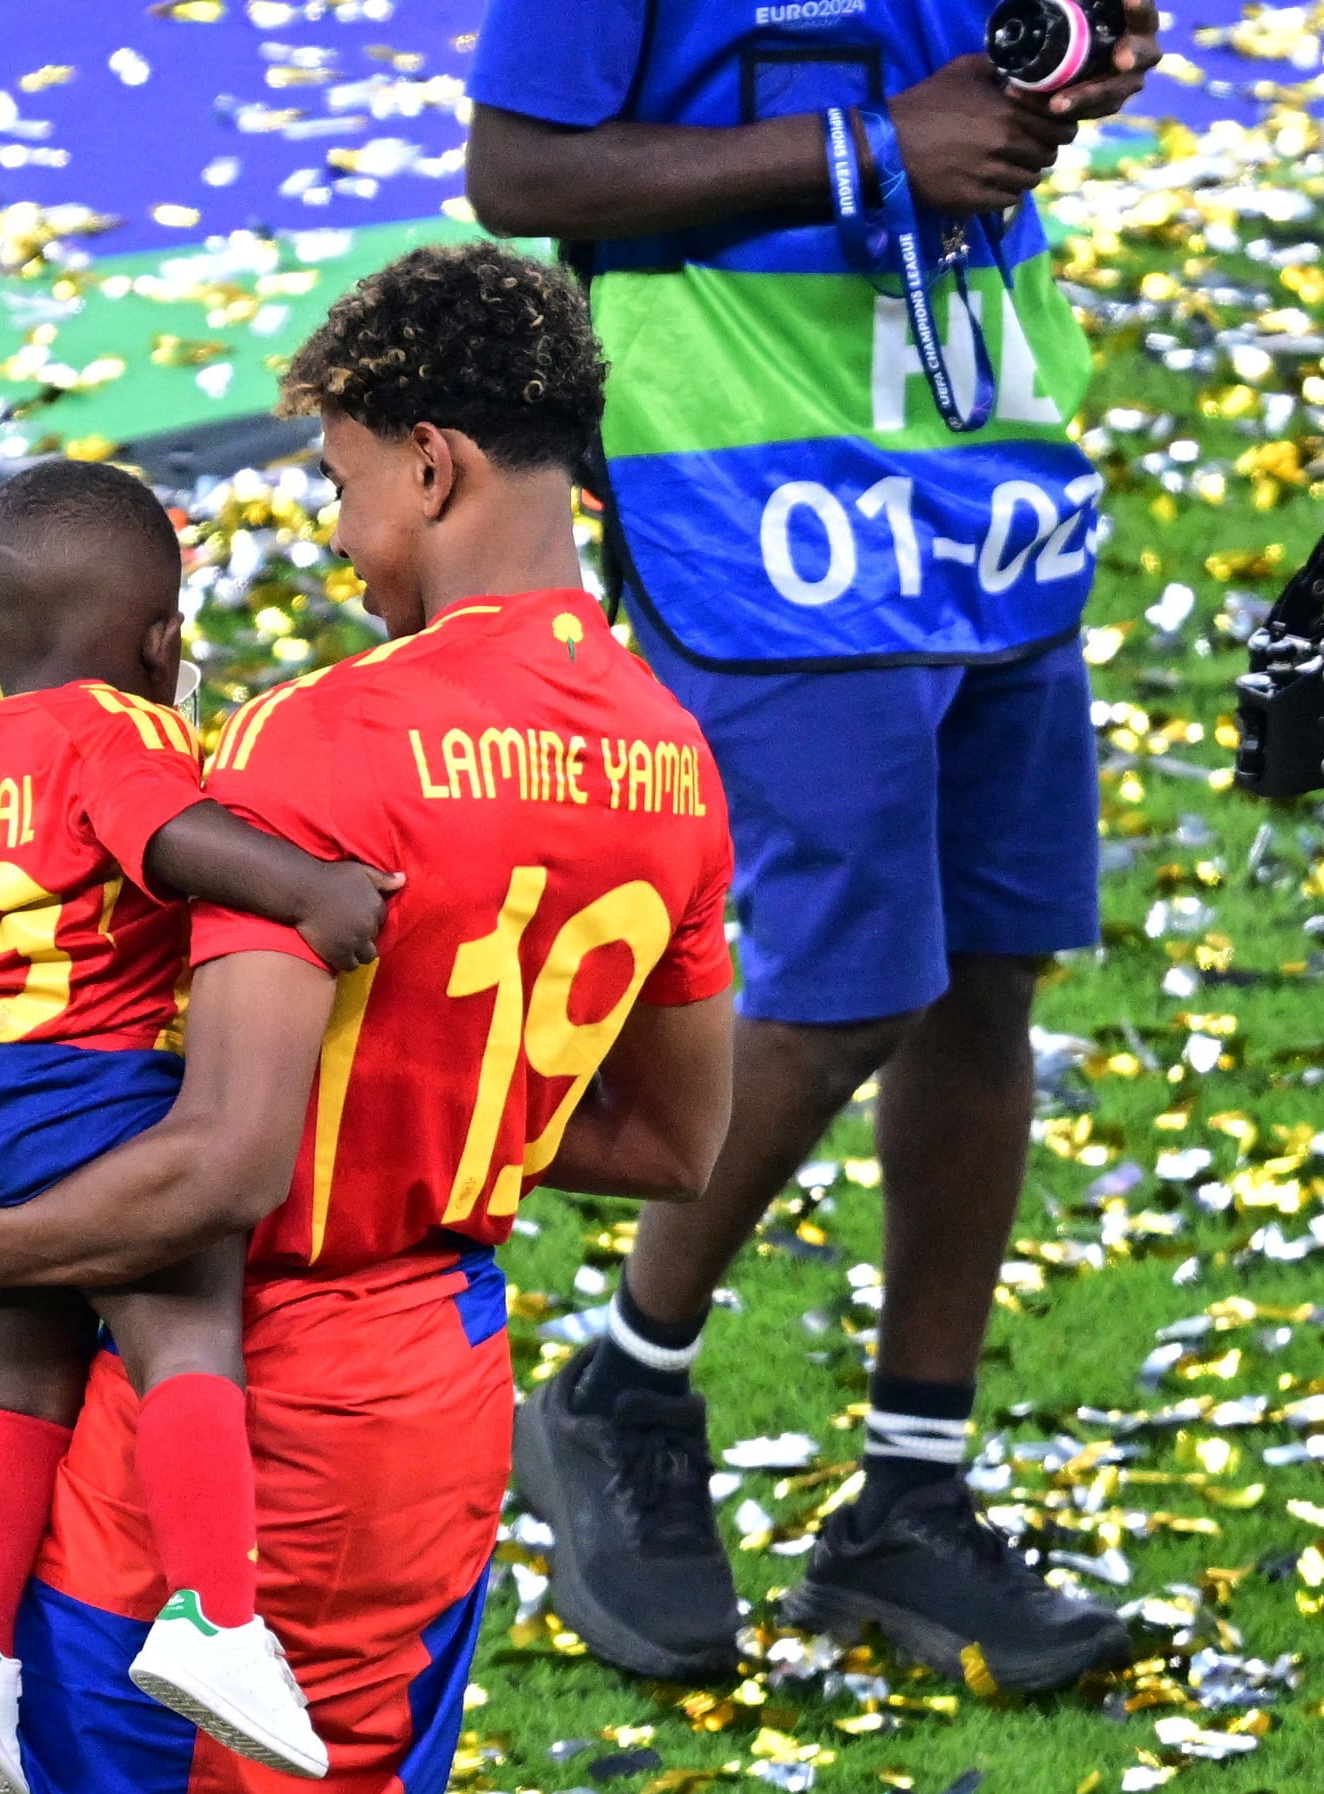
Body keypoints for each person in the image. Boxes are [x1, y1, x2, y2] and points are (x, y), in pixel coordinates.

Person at [0, 242, 734, 1794]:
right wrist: (443, 1090)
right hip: (445, 1399)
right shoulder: (671, 748)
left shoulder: (319, 740)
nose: (347, 538)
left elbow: (228, 1158)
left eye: (346, 480)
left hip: (255, 1411)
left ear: (433, 463)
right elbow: (668, 1142)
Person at [465, 0, 1159, 1692]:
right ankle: (620, 1386)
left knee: (991, 977)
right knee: (852, 981)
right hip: (751, 485)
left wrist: (1078, 63)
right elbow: (514, 173)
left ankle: (909, 1503)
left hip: (982, 475)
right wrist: (871, 153)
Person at [0, 458, 398, 1794]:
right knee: (185, 1321)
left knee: (15, 1391)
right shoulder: (122, 732)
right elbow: (168, 841)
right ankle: (215, 1617)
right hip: (85, 1087)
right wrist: (308, 889)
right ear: (166, 646)